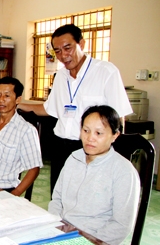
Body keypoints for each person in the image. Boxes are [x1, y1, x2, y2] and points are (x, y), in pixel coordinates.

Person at [17, 24, 133, 196]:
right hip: (61, 147)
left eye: (68, 48)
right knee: (60, 197)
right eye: (57, 51)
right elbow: (49, 109)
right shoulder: (61, 76)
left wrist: (115, 155)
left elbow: (118, 118)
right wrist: (16, 105)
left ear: (82, 44)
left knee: (88, 200)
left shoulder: (106, 72)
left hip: (90, 148)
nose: (63, 55)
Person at [48, 105, 139, 245]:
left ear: (115, 136)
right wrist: (55, 226)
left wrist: (87, 244)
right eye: (86, 131)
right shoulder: (73, 158)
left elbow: (121, 225)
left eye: (99, 133)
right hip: (62, 232)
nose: (90, 138)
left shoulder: (123, 171)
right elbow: (57, 200)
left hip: (95, 242)